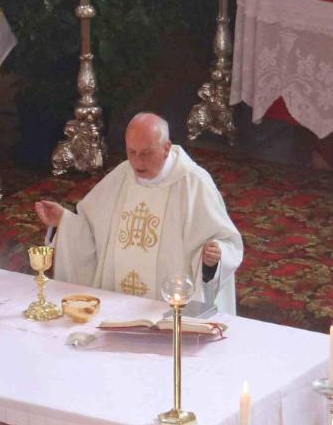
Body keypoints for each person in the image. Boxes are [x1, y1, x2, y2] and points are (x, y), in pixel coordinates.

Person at [35, 113, 243, 315]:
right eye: (131, 152)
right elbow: (90, 232)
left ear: (166, 148)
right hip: (115, 302)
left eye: (146, 153)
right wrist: (63, 221)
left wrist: (213, 258)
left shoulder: (193, 183)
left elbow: (227, 243)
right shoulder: (122, 175)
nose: (137, 162)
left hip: (168, 310)